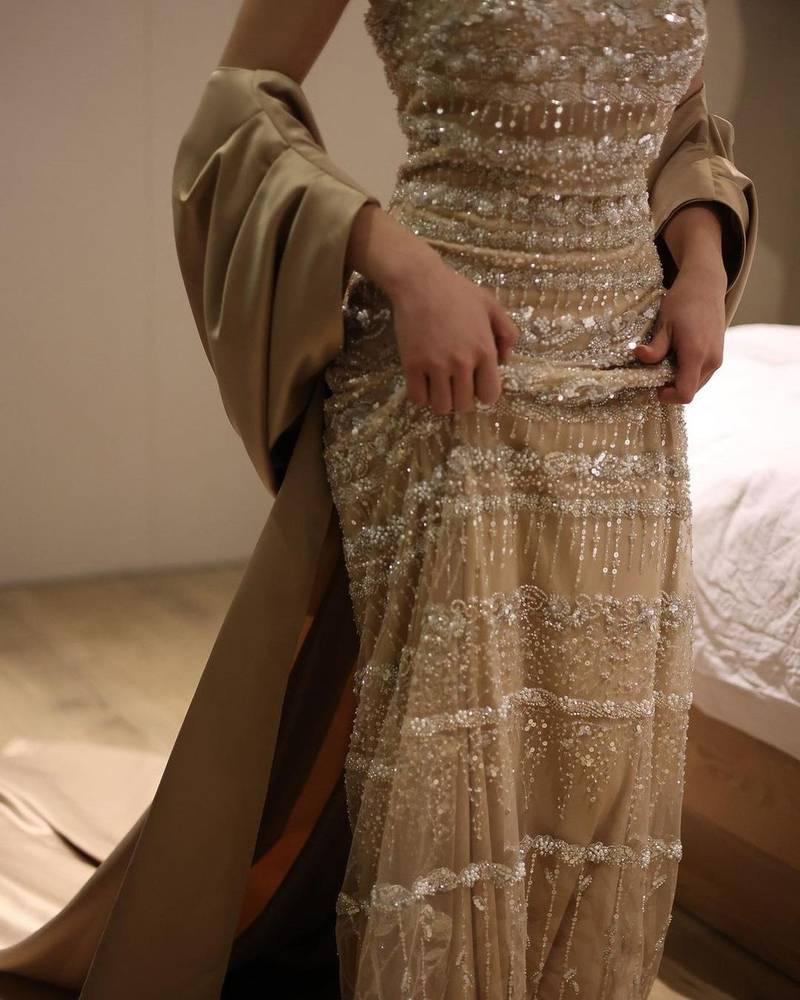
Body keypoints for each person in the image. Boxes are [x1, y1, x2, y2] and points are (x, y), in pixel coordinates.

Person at [0, 0, 756, 997]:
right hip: (444, 380)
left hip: (626, 394)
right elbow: (234, 114)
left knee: (590, 753)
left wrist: (700, 262)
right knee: (448, 768)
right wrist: (404, 268)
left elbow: (679, 124)